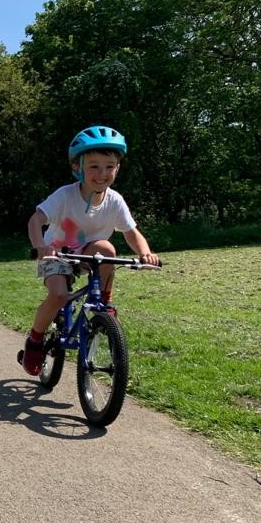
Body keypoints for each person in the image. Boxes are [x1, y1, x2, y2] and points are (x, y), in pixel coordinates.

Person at [20, 126, 160, 376]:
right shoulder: (64, 196)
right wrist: (40, 246)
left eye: (109, 166)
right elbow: (35, 220)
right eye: (94, 166)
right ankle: (35, 341)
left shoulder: (114, 200)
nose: (102, 173)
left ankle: (103, 303)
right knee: (59, 296)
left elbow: (130, 231)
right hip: (56, 254)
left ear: (117, 168)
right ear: (78, 168)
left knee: (107, 248)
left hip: (88, 254)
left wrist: (145, 253)